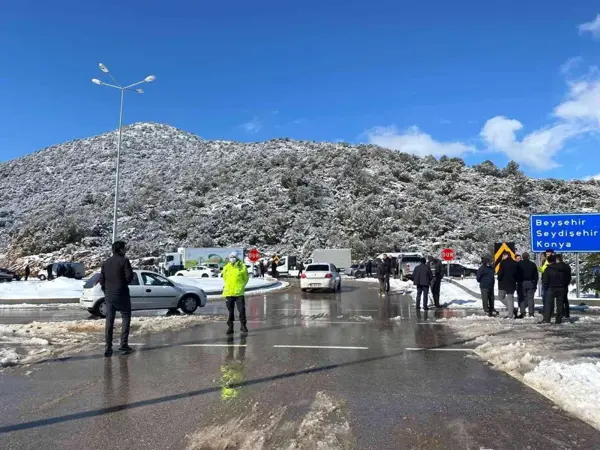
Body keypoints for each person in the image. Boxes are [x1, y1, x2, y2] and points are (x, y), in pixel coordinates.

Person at [99, 241, 134, 357]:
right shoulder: (124, 261)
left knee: (109, 321)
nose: (126, 250)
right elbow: (129, 278)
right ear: (120, 250)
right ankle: (123, 344)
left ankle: (108, 347)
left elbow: (102, 280)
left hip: (109, 295)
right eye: (125, 248)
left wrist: (106, 291)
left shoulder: (106, 262)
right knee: (126, 317)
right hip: (122, 294)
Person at [222, 252, 249, 335]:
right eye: (231, 257)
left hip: (238, 293)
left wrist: (241, 286)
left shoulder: (242, 267)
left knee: (241, 310)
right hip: (229, 292)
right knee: (230, 311)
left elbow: (246, 279)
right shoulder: (226, 267)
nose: (232, 258)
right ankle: (230, 327)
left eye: (234, 257)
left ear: (237, 258)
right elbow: (225, 278)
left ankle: (243, 325)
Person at [541, 255, 569, 324]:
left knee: (548, 304)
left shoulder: (548, 269)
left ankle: (547, 319)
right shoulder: (563, 268)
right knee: (560, 304)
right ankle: (558, 320)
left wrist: (546, 287)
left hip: (551, 288)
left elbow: (545, 280)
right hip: (561, 288)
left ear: (549, 261)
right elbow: (567, 278)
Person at [517, 252, 539, 317]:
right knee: (530, 298)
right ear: (528, 257)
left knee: (522, 298)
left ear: (522, 257)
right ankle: (531, 313)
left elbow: (515, 274)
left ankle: (523, 312)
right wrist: (535, 283)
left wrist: (517, 281)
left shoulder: (519, 264)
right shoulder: (532, 264)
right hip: (530, 283)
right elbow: (536, 275)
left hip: (521, 283)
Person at [497, 252, 518, 319]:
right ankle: (511, 313)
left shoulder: (503, 262)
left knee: (501, 297)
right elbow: (517, 273)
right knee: (510, 298)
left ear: (506, 255)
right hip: (512, 283)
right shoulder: (515, 263)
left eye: (503, 255)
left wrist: (498, 278)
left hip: (503, 283)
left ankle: (511, 311)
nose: (502, 257)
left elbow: (500, 272)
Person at [555, 254, 572, 319]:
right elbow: (569, 277)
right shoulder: (567, 266)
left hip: (558, 286)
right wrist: (567, 283)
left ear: (557, 259)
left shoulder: (556, 267)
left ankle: (561, 313)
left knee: (559, 300)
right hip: (565, 285)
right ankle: (567, 313)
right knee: (565, 299)